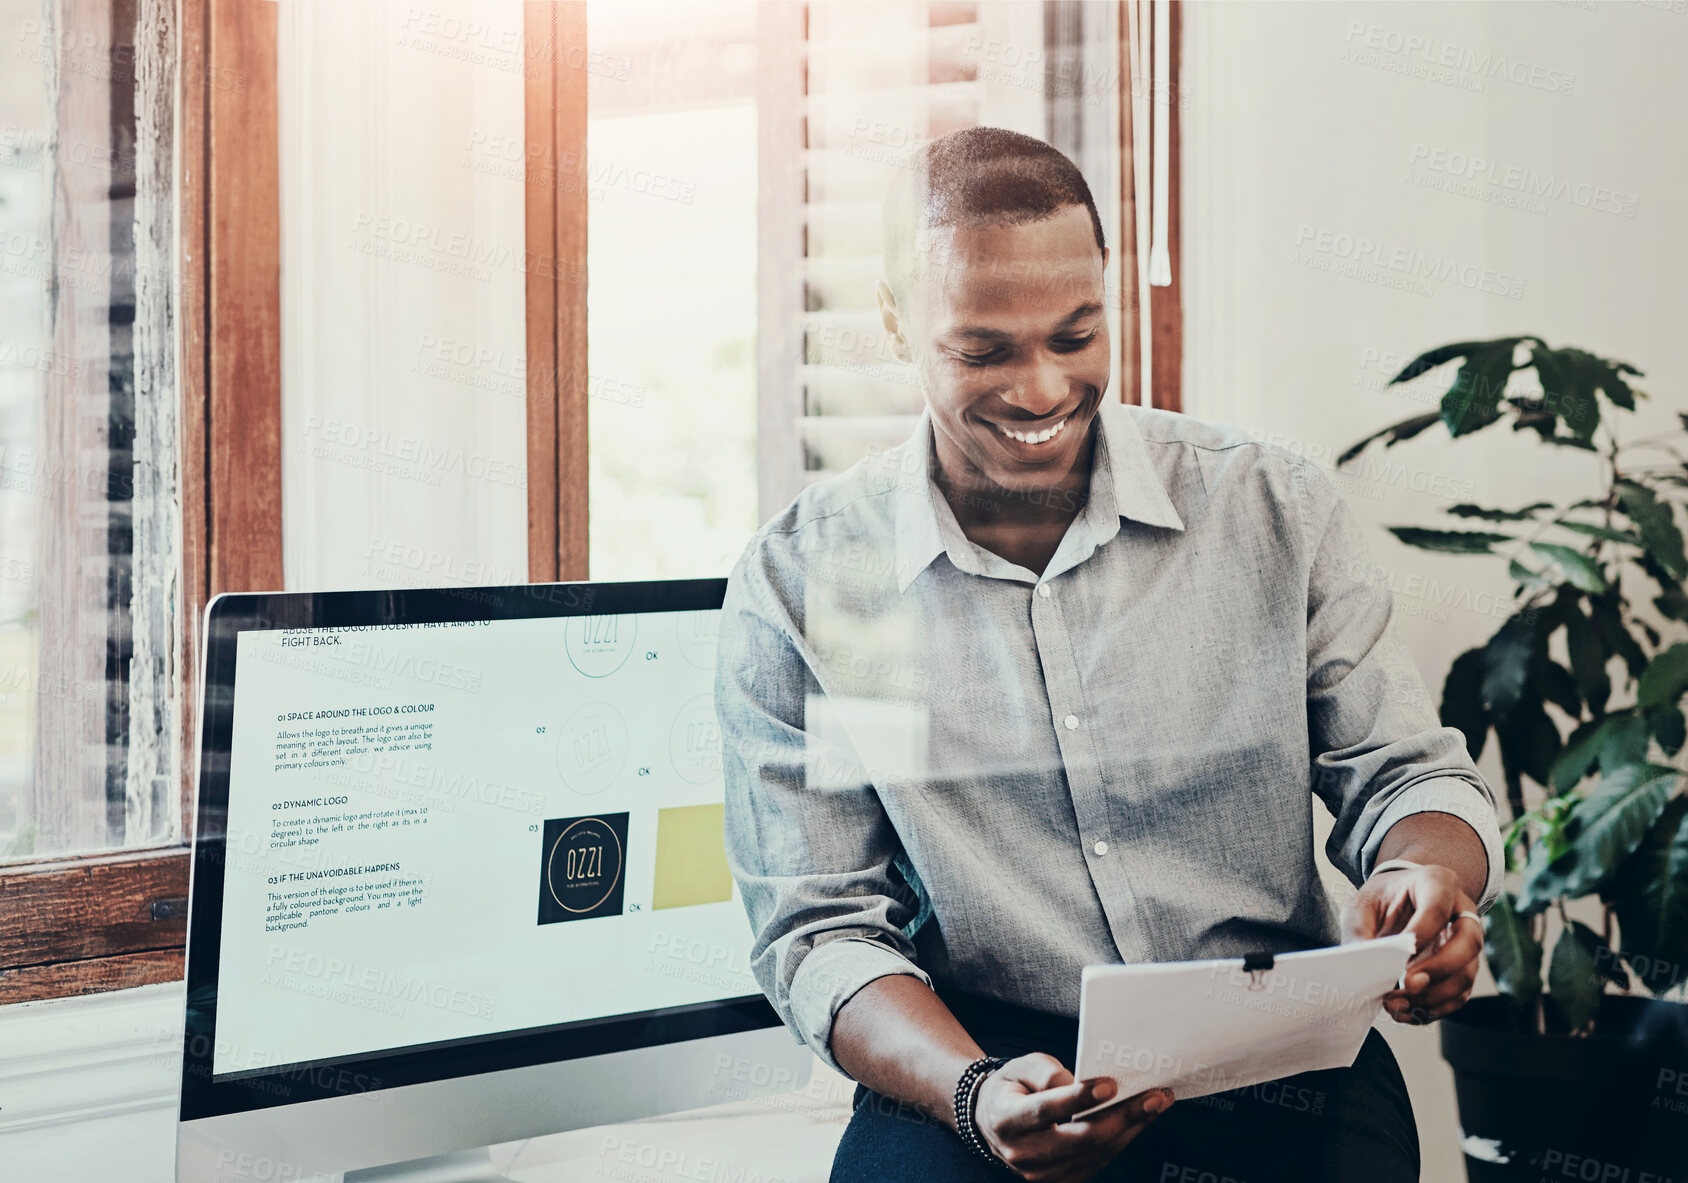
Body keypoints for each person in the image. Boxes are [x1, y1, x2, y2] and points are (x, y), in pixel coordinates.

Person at [714, 127, 1501, 1183]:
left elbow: (1405, 774)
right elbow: (819, 929)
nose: (1039, 390)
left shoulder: (1272, 508)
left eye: (1074, 336)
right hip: (978, 1055)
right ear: (897, 322)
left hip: (1275, 1048)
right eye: (982, 350)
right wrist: (971, 1090)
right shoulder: (805, 583)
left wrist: (1420, 875)